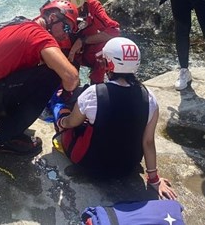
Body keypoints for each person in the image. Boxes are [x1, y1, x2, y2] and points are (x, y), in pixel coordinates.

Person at [0, 0, 80, 155]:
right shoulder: (40, 37)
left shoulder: (22, 23)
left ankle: (4, 121)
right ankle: (6, 138)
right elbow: (71, 78)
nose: (66, 34)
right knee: (52, 75)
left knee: (44, 69)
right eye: (66, 27)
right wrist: (67, 94)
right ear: (52, 18)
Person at [53, 37, 177, 200]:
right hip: (127, 167)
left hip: (91, 165)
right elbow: (148, 142)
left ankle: (56, 105)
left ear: (108, 65)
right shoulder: (150, 98)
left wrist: (61, 122)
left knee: (61, 110)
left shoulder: (93, 94)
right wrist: (154, 179)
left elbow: (72, 122)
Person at [57, 0, 121, 84]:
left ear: (82, 4)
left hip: (87, 48)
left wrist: (83, 41)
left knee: (104, 49)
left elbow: (114, 31)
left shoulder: (93, 6)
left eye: (74, 10)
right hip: (66, 46)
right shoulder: (55, 9)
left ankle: (96, 85)